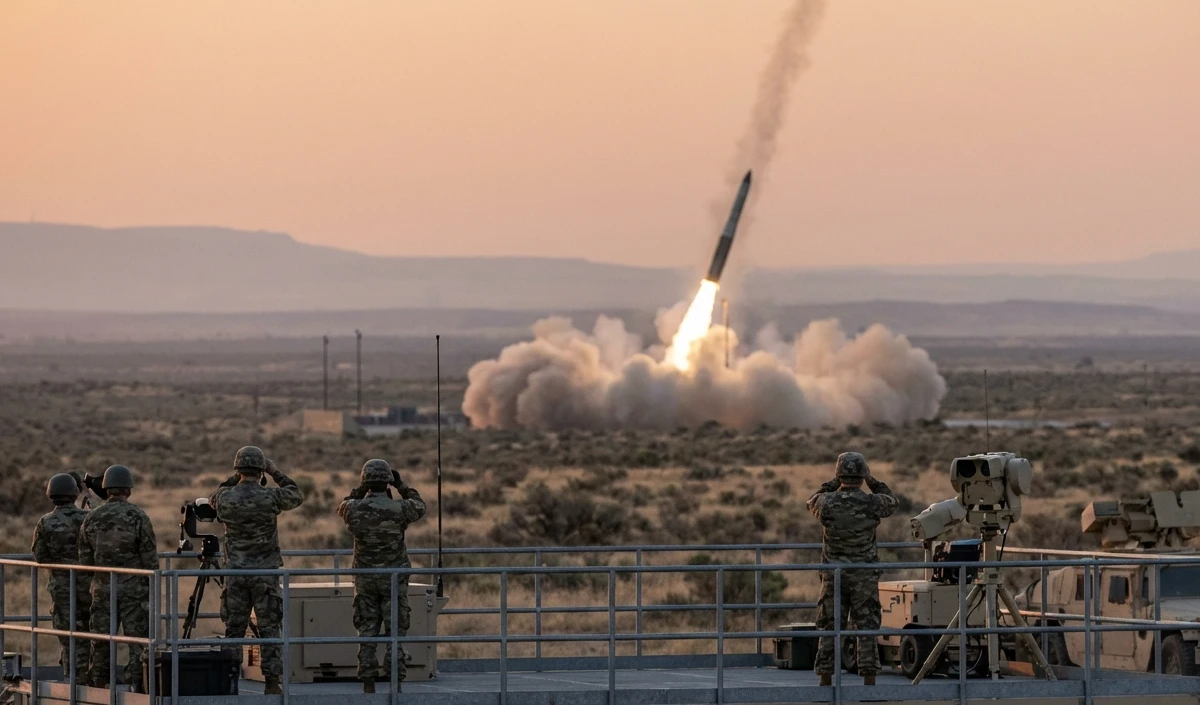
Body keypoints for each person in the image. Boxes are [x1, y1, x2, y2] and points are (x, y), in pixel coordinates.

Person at [209, 446, 303, 695]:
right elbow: (295, 494)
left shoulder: (225, 497)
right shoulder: (269, 497)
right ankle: (272, 682)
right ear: (260, 470)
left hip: (235, 576)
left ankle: (229, 682)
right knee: (270, 628)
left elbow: (214, 495)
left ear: (238, 469)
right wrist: (274, 471)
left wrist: (234, 478)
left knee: (234, 630)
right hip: (265, 574)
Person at [807, 452, 898, 686]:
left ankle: (825, 679)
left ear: (839, 474)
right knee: (866, 628)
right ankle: (869, 681)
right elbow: (891, 501)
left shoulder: (826, 502)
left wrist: (834, 482)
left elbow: (812, 499)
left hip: (833, 576)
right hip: (863, 576)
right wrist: (872, 480)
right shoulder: (871, 502)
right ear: (862, 474)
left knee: (829, 626)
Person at [337, 459, 426, 693]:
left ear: (366, 482)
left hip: (365, 580)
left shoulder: (353, 509)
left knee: (366, 631)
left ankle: (368, 681)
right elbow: (419, 505)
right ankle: (395, 682)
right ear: (387, 482)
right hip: (394, 580)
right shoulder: (400, 509)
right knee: (395, 632)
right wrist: (401, 485)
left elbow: (343, 504)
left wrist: (360, 488)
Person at [77, 465, 158, 689]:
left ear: (106, 488)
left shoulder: (91, 518)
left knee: (101, 641)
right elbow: (150, 560)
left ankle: (98, 686)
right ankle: (137, 687)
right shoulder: (139, 516)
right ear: (128, 490)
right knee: (137, 642)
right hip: (134, 591)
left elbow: (85, 561)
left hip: (103, 590)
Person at [31, 473, 91, 680]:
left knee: (67, 633)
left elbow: (40, 556)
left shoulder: (45, 522)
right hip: (88, 584)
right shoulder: (87, 518)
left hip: (60, 586)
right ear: (75, 493)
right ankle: (91, 677)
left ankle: (72, 676)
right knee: (91, 631)